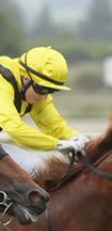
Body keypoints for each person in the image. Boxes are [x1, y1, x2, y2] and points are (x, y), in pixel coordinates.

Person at [0, 46, 90, 176]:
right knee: (33, 168)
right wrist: (57, 144)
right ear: (26, 78)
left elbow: (55, 127)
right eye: (42, 89)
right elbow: (15, 130)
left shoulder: (32, 89)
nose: (44, 97)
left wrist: (76, 138)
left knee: (39, 168)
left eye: (51, 90)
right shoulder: (2, 83)